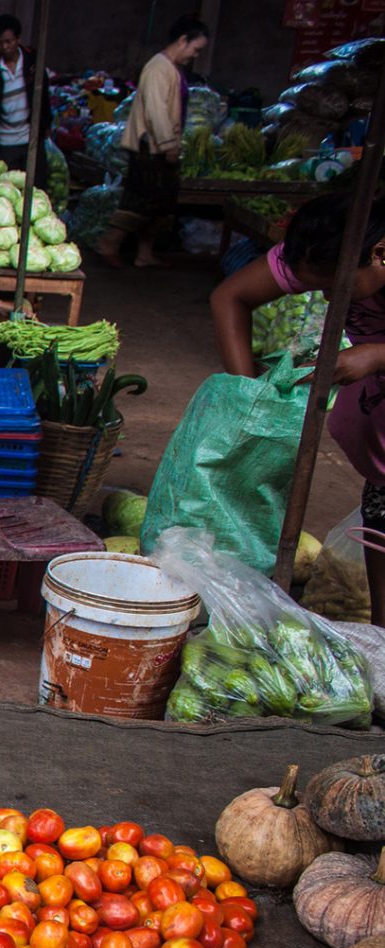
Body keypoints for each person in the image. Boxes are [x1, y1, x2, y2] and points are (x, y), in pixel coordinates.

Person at [212, 190, 385, 626]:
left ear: (379, 255)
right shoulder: (325, 251)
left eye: (332, 286)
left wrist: (376, 355)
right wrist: (250, 395)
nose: (327, 299)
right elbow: (230, 298)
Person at [96, 16, 209, 268]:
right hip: (151, 147)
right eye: (196, 49)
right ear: (183, 40)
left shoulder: (171, 69)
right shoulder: (158, 68)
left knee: (159, 204)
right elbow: (156, 111)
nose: (195, 55)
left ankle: (144, 253)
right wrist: (169, 144)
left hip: (160, 146)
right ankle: (108, 243)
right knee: (140, 202)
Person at [0, 14, 50, 172]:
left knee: (35, 186)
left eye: (8, 41)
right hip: (5, 141)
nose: (4, 47)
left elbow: (44, 95)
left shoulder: (32, 61)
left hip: (31, 138)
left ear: (18, 39)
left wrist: (45, 126)